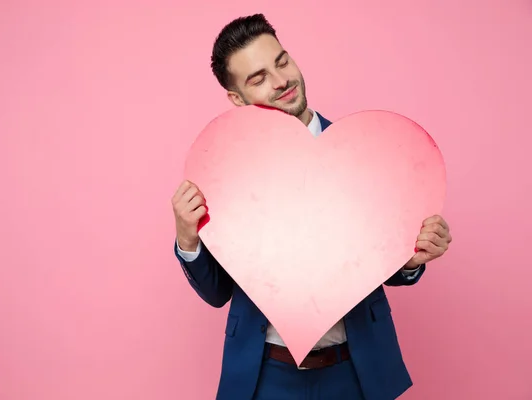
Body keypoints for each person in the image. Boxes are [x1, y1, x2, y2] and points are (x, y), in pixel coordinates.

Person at [171, 14, 452, 400]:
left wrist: (412, 259)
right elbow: (218, 292)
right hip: (263, 375)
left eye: (282, 61)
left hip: (357, 371)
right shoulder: (224, 175)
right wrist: (188, 240)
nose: (281, 80)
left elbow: (389, 265)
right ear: (237, 99)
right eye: (258, 78)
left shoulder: (366, 157)